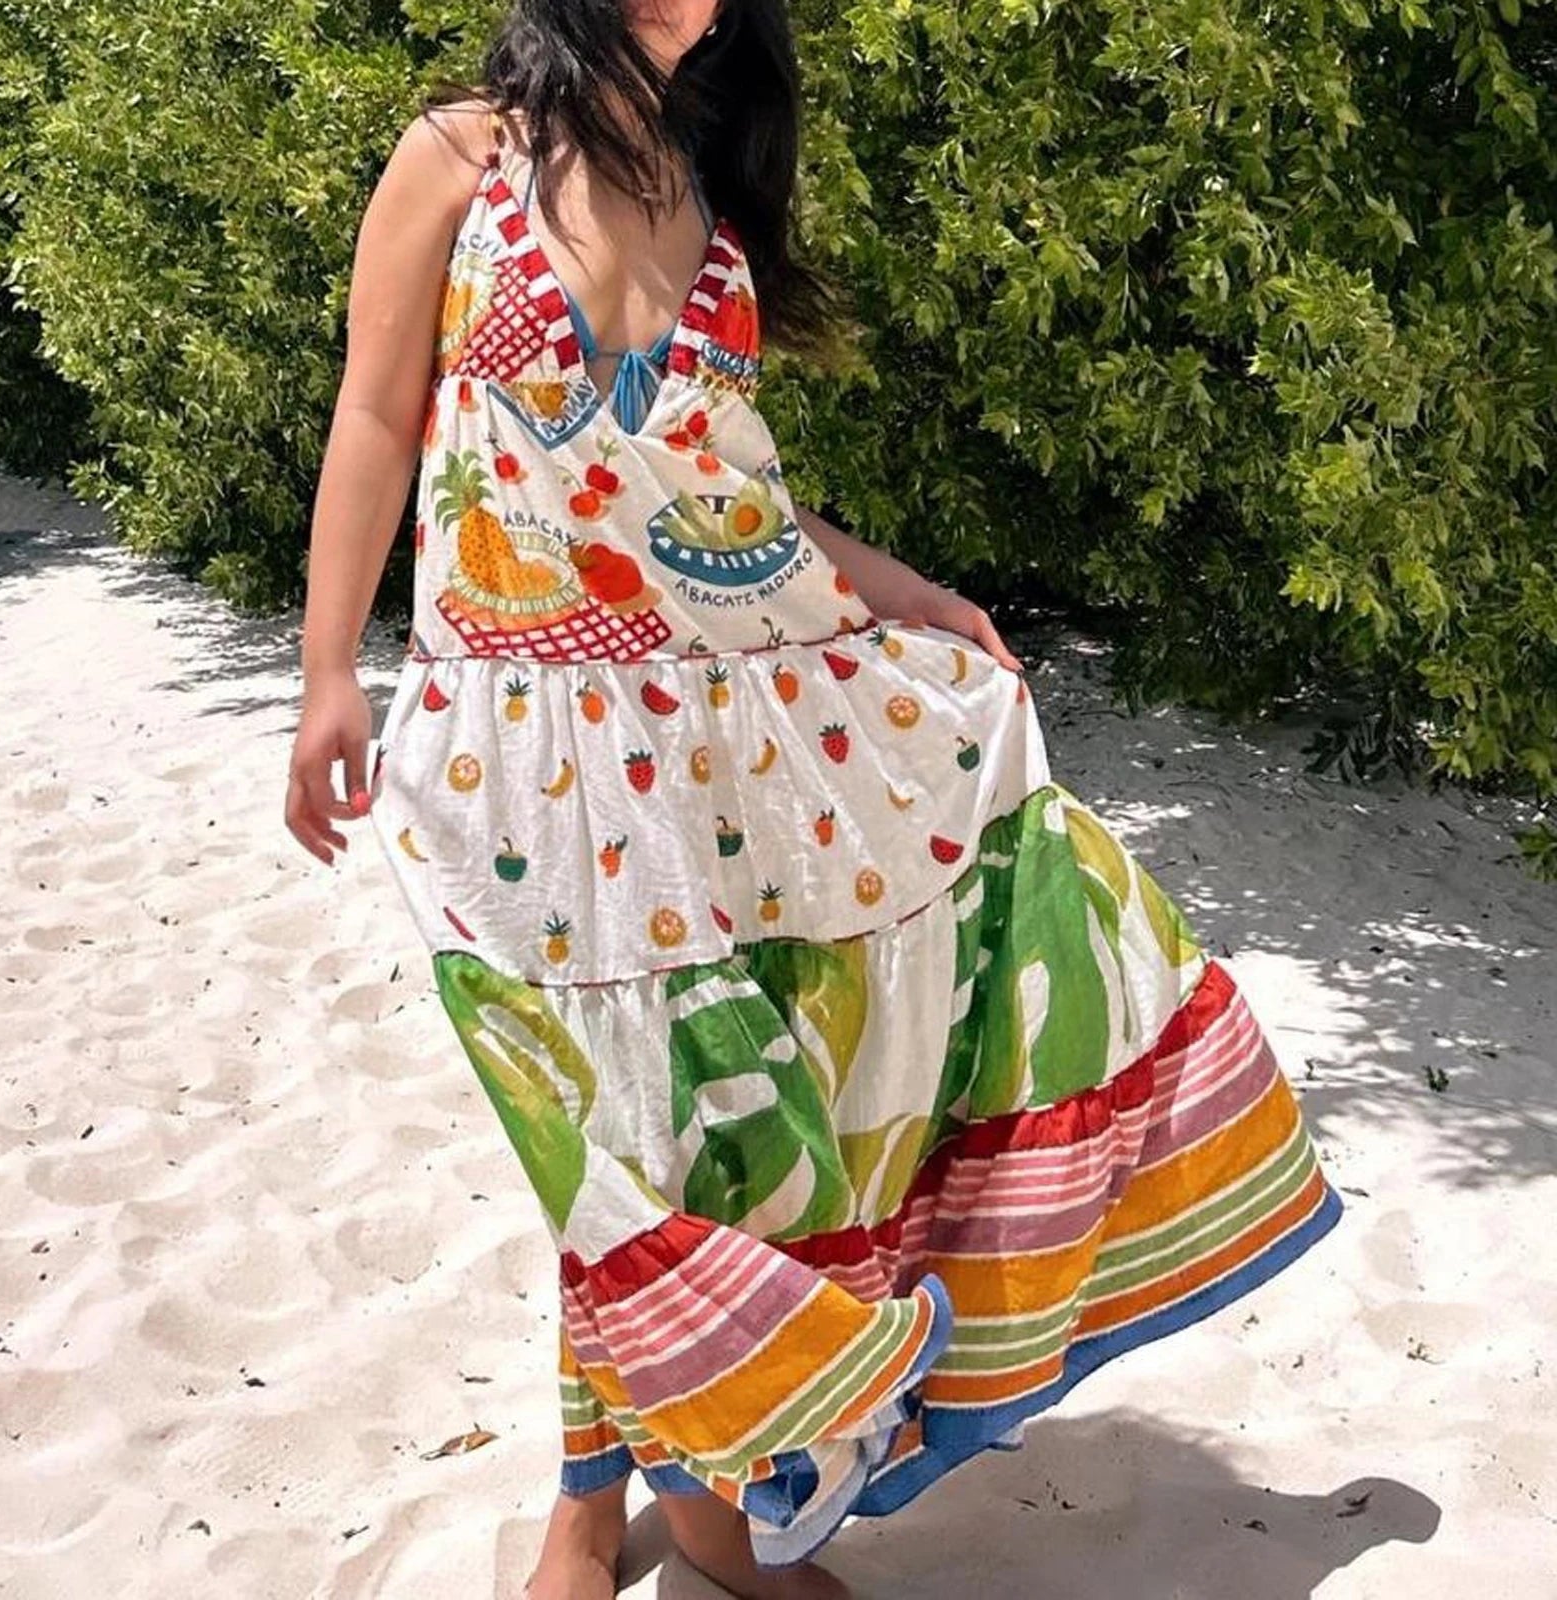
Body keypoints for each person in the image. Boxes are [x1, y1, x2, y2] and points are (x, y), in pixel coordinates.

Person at [285, 2, 1343, 1595]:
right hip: (522, 744)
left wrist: (913, 594)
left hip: (718, 732)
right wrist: (324, 673)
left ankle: (682, 1509)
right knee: (604, 1125)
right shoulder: (458, 156)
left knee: (696, 1141)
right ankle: (617, 1511)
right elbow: (375, 416)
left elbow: (734, 503)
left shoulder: (708, 198)